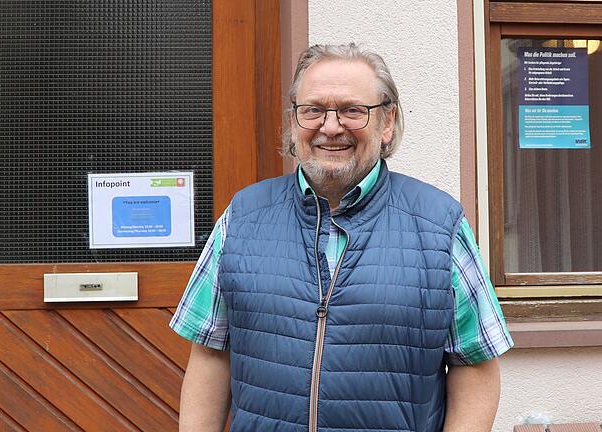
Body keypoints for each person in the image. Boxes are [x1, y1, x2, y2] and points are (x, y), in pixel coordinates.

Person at [170, 43, 513, 432]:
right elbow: (211, 354)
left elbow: (477, 366)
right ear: (295, 120)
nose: (330, 127)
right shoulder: (243, 216)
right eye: (313, 110)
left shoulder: (439, 224)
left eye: (352, 110)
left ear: (386, 122)